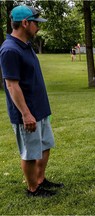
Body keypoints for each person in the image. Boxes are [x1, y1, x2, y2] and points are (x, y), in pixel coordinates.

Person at [0, 5, 63, 197]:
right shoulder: (9, 50)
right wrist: (26, 114)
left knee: (45, 145)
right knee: (29, 152)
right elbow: (12, 86)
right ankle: (32, 188)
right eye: (36, 23)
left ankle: (40, 179)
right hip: (26, 113)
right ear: (25, 23)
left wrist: (42, 109)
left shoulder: (25, 45)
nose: (38, 27)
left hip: (40, 109)